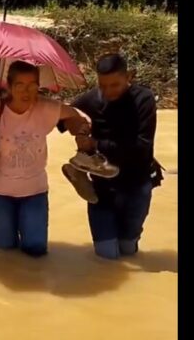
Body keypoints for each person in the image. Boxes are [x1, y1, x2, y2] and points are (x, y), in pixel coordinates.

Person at [0, 61, 88, 257]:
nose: (27, 91)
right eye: (20, 85)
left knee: (36, 251)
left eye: (33, 85)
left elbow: (80, 116)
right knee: (5, 250)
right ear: (9, 86)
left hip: (34, 192)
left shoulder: (47, 108)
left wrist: (81, 133)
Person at [59, 53, 158, 259]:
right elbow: (58, 117)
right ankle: (78, 170)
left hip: (136, 185)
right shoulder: (91, 99)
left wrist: (95, 143)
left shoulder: (144, 99)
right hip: (101, 188)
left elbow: (141, 147)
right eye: (103, 86)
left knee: (129, 250)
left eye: (115, 85)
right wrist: (77, 126)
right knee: (106, 258)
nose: (108, 91)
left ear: (129, 76)